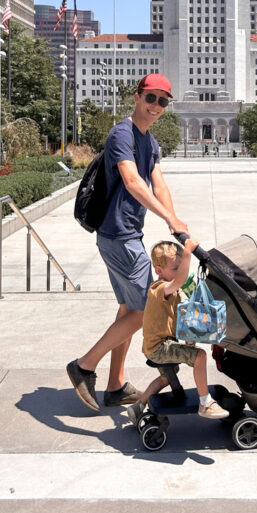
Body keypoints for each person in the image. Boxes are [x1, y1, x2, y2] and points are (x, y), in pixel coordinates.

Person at [67, 73, 188, 411]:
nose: (156, 106)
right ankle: (84, 366)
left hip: (128, 233)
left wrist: (175, 222)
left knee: (128, 309)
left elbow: (158, 184)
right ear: (136, 97)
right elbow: (132, 180)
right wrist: (167, 218)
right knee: (145, 309)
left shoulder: (150, 143)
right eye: (151, 98)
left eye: (163, 101)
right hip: (118, 235)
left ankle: (115, 385)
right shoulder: (122, 133)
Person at [126, 237, 228, 422]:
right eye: (175, 268)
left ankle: (138, 405)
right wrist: (188, 251)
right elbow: (180, 280)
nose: (179, 272)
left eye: (179, 267)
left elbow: (184, 317)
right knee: (200, 356)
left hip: (158, 346)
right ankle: (205, 403)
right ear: (159, 270)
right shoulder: (159, 289)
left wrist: (191, 339)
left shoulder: (175, 291)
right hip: (159, 348)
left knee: (165, 378)